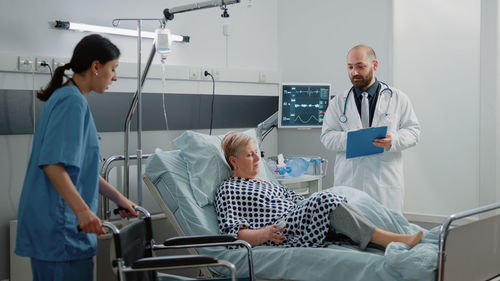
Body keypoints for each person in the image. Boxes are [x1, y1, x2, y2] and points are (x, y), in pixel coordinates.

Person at [15, 34, 138, 281]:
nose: (114, 77)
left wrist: (119, 198)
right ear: (95, 67)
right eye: (113, 69)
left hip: (60, 226)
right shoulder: (72, 103)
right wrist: (83, 211)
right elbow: (52, 165)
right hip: (61, 227)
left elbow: (81, 170)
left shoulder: (68, 98)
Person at [215, 132, 422, 249]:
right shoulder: (228, 190)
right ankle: (394, 240)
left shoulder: (266, 182)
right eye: (251, 156)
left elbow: (295, 199)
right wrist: (264, 234)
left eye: (257, 153)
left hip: (300, 216)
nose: (258, 159)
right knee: (324, 200)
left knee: (343, 194)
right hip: (284, 230)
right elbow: (234, 234)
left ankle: (398, 231)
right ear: (234, 161)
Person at [321, 45, 421, 212]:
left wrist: (393, 140)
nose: (354, 72)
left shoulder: (397, 98)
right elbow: (326, 137)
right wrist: (352, 138)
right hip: (349, 183)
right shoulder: (339, 102)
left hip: (384, 185)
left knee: (387, 232)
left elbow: (414, 131)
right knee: (350, 234)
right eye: (350, 67)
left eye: (360, 66)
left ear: (374, 66)